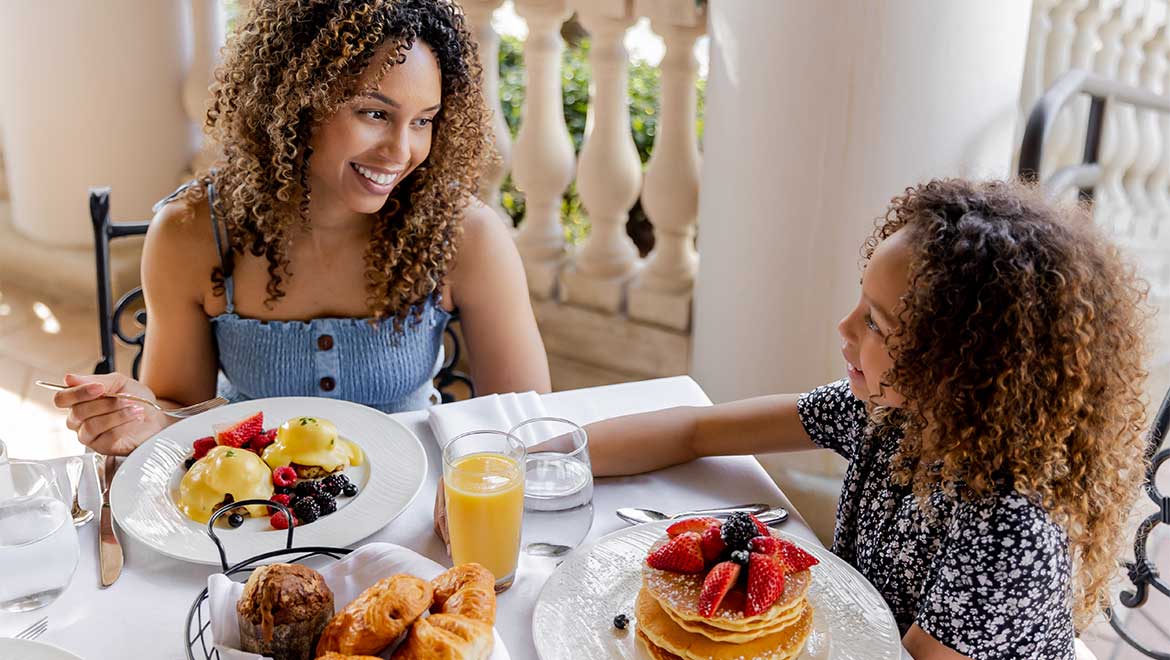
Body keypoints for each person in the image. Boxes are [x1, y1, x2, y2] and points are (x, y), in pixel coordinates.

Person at [582, 180, 1150, 659]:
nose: (845, 327)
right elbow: (695, 430)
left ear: (958, 365)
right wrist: (551, 457)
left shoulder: (1007, 526)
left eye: (875, 323)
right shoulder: (890, 415)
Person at [55, 0, 550, 456]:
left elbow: (530, 428)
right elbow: (178, 417)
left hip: (415, 521)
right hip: (252, 516)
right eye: (374, 113)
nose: (402, 152)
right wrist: (138, 418)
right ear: (297, 101)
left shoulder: (466, 235)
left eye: (423, 121)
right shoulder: (192, 234)